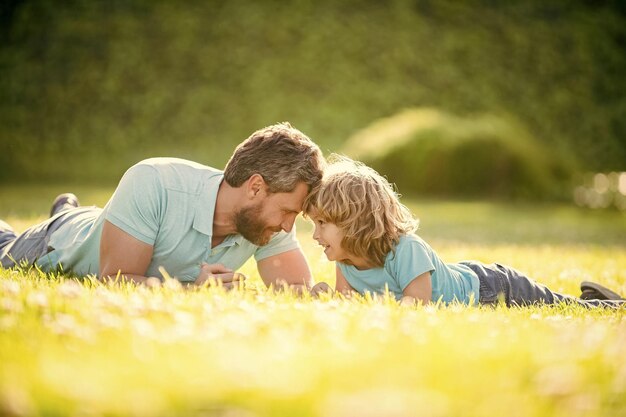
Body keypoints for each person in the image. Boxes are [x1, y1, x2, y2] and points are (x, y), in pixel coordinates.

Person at [0, 123, 325, 290]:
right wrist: (189, 291)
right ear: (255, 187)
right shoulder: (153, 180)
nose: (287, 226)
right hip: (55, 243)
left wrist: (321, 294)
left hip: (113, 223)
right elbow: (114, 281)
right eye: (286, 212)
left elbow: (294, 289)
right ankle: (63, 213)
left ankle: (68, 208)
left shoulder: (266, 221)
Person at [305, 156, 625, 308]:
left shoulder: (405, 250)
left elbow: (416, 307)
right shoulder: (344, 260)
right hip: (473, 280)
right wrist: (326, 299)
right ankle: (595, 298)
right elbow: (348, 306)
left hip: (492, 287)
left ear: (354, 221)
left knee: (561, 306)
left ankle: (608, 304)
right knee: (561, 304)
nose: (315, 235)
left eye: (322, 224)